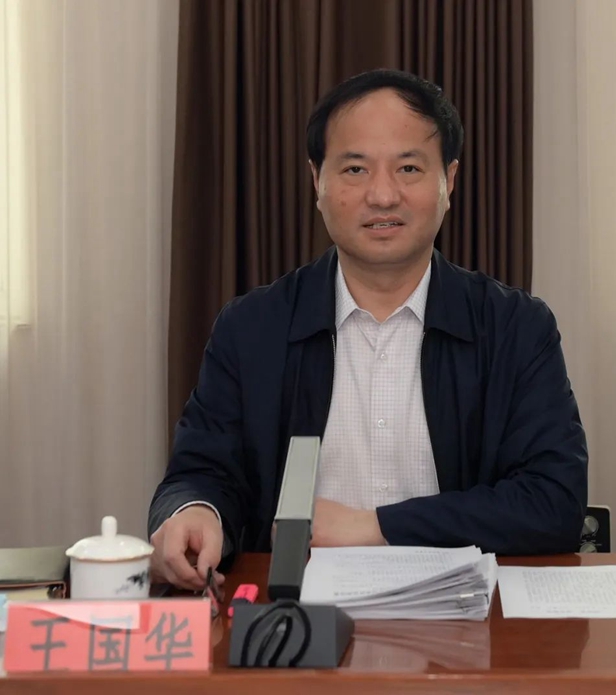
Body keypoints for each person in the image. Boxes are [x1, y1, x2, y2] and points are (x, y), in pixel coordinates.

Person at [148, 69, 588, 590]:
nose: (382, 195)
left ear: (449, 181)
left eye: (408, 168)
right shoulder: (251, 328)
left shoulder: (516, 328)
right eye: (355, 169)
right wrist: (196, 511)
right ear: (317, 180)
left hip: (468, 618)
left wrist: (376, 527)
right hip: (295, 616)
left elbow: (553, 502)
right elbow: (202, 472)